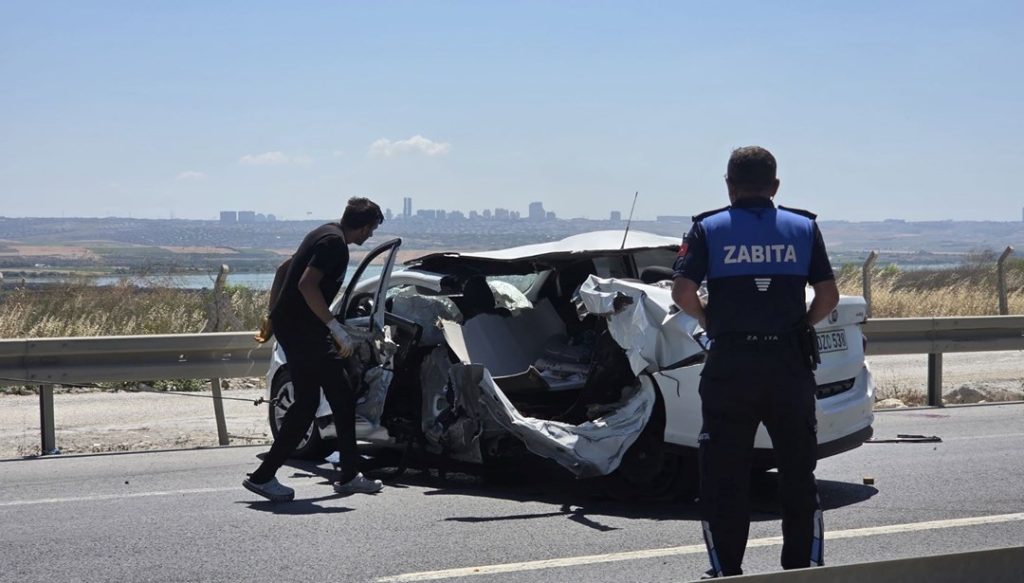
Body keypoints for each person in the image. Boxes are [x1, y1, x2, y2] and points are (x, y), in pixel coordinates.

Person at [671, 146, 839, 577]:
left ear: (729, 185)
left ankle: (728, 570)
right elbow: (828, 296)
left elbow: (682, 292)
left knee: (725, 478)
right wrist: (800, 325)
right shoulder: (803, 227)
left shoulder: (708, 228)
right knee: (798, 475)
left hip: (732, 365)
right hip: (788, 365)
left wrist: (712, 322)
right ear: (775, 185)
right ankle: (801, 568)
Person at [243, 197, 386, 501]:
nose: (370, 235)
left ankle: (339, 474)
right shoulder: (335, 243)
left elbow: (284, 269)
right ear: (362, 225)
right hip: (305, 331)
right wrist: (335, 328)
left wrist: (273, 314)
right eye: (371, 229)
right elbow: (307, 285)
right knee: (333, 396)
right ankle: (272, 476)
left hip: (296, 327)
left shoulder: (322, 232)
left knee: (319, 400)